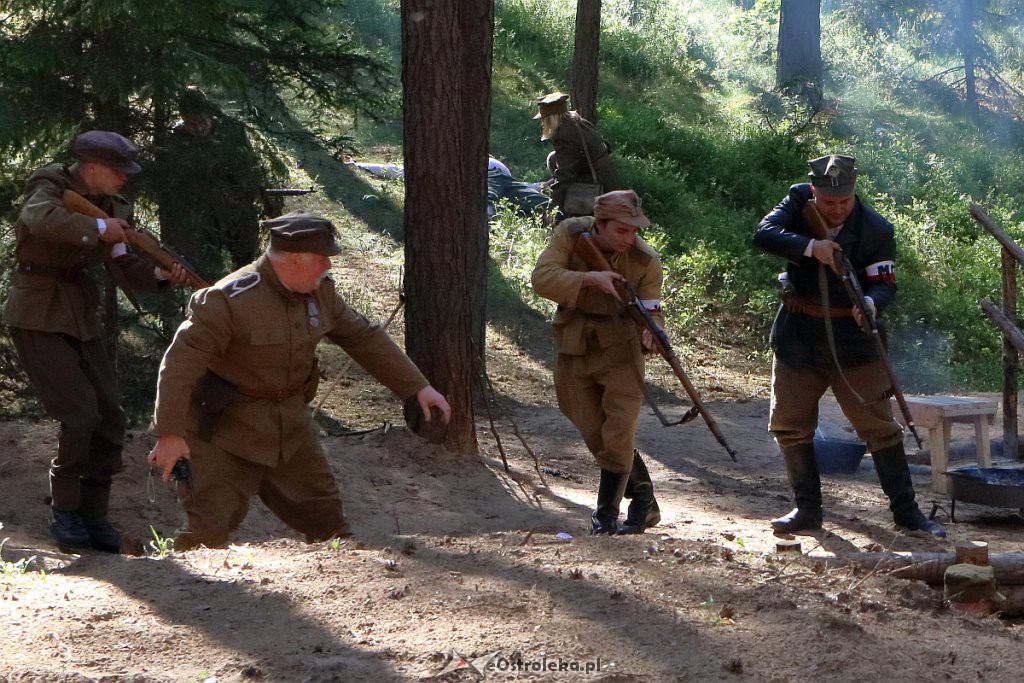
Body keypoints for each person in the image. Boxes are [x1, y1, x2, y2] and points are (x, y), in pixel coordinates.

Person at [147, 211, 452, 550]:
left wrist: (417, 387)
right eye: (321, 258)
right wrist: (170, 434)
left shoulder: (321, 294)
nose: (328, 266)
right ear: (293, 260)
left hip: (289, 430)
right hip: (223, 433)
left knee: (330, 527)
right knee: (206, 533)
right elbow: (178, 366)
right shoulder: (227, 300)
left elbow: (362, 337)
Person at [2, 130, 189, 552]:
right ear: (91, 168)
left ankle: (94, 516)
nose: (125, 178)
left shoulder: (115, 207)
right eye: (118, 170)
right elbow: (40, 220)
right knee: (81, 413)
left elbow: (124, 266)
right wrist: (99, 227)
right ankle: (65, 511)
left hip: (80, 314)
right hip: (37, 312)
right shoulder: (49, 185)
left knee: (111, 416)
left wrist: (161, 274)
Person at [752, 154, 945, 538]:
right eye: (828, 202)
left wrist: (871, 303)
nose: (837, 209)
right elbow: (763, 234)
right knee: (790, 424)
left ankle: (907, 513)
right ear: (813, 192)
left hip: (853, 340)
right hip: (799, 337)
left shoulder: (876, 229)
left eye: (844, 201)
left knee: (879, 428)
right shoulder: (796, 202)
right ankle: (807, 511)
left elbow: (884, 281)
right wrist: (811, 247)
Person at [531, 190, 661, 535]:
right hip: (576, 342)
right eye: (621, 230)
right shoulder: (571, 235)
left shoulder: (645, 259)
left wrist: (653, 334)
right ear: (599, 223)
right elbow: (542, 278)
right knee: (591, 427)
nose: (629, 238)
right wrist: (589, 279)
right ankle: (645, 496)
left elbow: (652, 310)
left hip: (622, 348)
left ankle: (605, 516)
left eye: (634, 230)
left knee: (618, 429)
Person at [152, 87, 272, 277]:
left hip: (236, 211)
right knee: (207, 269)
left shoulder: (231, 131)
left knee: (246, 263)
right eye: (191, 123)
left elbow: (247, 168)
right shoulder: (173, 140)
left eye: (202, 121)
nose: (199, 128)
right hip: (201, 216)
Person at [534, 92, 618, 219]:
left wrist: (551, 208)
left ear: (550, 118)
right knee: (553, 158)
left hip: (597, 184)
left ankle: (568, 214)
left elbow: (565, 175)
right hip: (605, 175)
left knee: (558, 190)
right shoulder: (576, 120)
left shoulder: (565, 134)